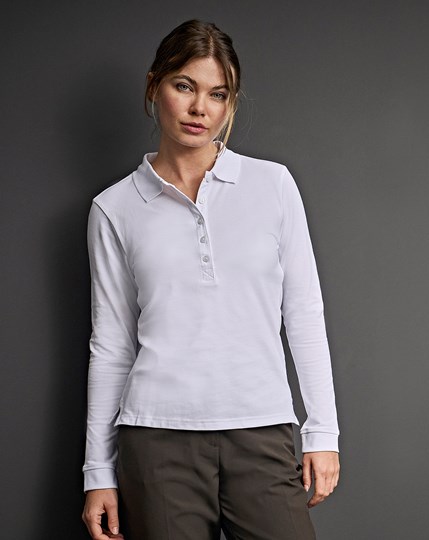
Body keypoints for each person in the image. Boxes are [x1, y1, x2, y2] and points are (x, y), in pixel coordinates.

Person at [81, 19, 340, 540]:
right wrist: (98, 472)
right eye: (184, 86)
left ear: (230, 103)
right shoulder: (114, 208)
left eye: (217, 94)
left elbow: (304, 314)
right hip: (156, 441)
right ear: (154, 87)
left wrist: (322, 433)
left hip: (261, 430)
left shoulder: (272, 185)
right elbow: (111, 346)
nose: (200, 108)